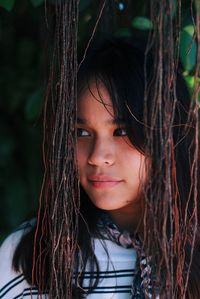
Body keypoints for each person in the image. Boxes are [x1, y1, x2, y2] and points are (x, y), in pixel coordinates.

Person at [0, 37, 199, 299]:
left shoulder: (192, 252)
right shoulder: (29, 258)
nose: (97, 156)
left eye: (121, 131)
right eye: (81, 132)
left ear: (168, 136)